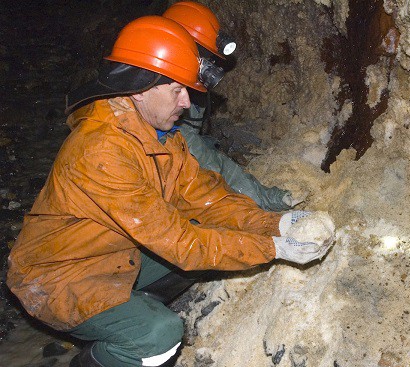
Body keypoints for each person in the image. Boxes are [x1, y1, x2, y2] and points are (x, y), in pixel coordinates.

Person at [7, 16, 333, 367]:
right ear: (140, 88)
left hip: (110, 253)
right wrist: (274, 248)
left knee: (205, 235)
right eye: (177, 90)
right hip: (56, 277)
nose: (185, 102)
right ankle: (110, 350)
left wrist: (277, 223)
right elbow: (183, 245)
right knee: (160, 336)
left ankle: (128, 309)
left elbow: (207, 198)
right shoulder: (102, 151)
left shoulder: (159, 136)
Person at [163, 1, 299, 212]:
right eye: (202, 56)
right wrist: (266, 200)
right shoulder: (157, 108)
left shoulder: (175, 86)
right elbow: (209, 164)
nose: (208, 65)